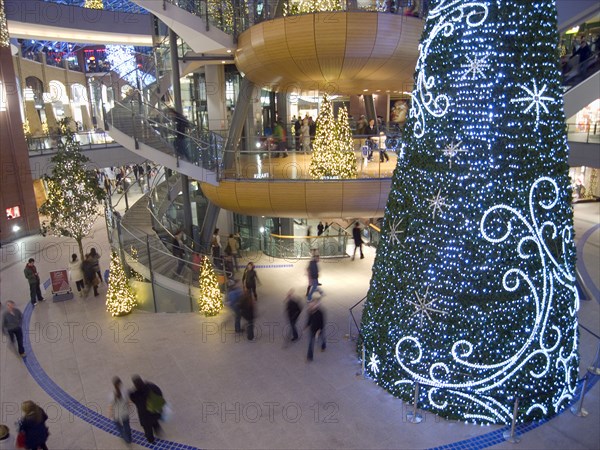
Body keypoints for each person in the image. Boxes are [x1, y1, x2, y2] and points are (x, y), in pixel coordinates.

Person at [129, 375, 164, 444]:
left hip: (144, 415)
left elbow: (133, 399)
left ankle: (151, 440)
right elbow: (159, 392)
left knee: (148, 429)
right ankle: (158, 432)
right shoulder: (151, 387)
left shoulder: (135, 394)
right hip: (154, 411)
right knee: (155, 422)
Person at [110, 376, 132, 444]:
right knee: (126, 425)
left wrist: (110, 413)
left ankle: (125, 437)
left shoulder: (112, 395)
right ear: (121, 383)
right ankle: (129, 437)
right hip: (124, 412)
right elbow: (128, 402)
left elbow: (111, 406)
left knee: (119, 427)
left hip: (117, 414)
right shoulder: (125, 392)